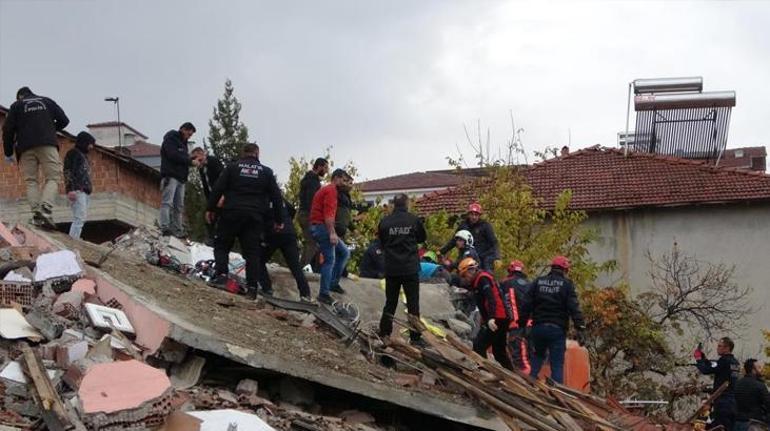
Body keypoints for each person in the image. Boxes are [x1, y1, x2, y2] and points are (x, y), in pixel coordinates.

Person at [206, 143, 284, 299]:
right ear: (257, 153)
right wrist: (279, 219)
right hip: (254, 217)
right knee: (252, 253)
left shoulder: (232, 167)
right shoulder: (266, 172)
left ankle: (221, 276)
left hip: (231, 212)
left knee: (222, 245)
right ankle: (252, 288)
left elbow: (218, 188)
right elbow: (276, 197)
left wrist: (210, 209)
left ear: (244, 153)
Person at [2, 87, 69, 227]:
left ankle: (36, 213)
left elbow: (7, 130)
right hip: (47, 144)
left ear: (20, 96)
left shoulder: (17, 106)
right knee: (53, 177)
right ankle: (46, 208)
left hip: (25, 147)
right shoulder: (47, 101)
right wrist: (49, 129)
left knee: (31, 180)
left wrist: (8, 153)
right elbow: (64, 120)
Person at [519, 256, 586, 384]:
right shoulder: (566, 285)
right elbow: (574, 308)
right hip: (557, 330)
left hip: (538, 328)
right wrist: (580, 328)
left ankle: (530, 382)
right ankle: (557, 392)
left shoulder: (538, 282)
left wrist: (522, 325)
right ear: (565, 270)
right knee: (557, 363)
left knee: (538, 355)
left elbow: (526, 304)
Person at [377, 194, 427, 345]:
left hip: (392, 268)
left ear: (393, 205)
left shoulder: (385, 222)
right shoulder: (413, 220)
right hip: (410, 268)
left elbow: (382, 241)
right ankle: (415, 338)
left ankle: (384, 333)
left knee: (390, 302)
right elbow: (421, 238)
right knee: (413, 303)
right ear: (407, 204)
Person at [457, 257, 514, 370]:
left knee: (479, 346)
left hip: (498, 317)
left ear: (470, 270)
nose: (465, 278)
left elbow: (491, 298)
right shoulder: (478, 280)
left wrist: (491, 318)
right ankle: (511, 375)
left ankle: (483, 372)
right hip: (501, 317)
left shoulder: (483, 279)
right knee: (499, 352)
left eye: (465, 275)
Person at [257, 198, 313, 302]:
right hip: (289, 233)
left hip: (272, 233)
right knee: (295, 265)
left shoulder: (261, 199)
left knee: (258, 260)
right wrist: (286, 221)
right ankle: (305, 294)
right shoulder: (279, 198)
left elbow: (258, 218)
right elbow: (292, 210)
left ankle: (266, 288)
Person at [309, 168, 351, 304]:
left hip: (319, 226)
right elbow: (329, 215)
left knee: (344, 252)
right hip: (322, 227)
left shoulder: (327, 189)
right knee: (329, 260)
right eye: (344, 180)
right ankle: (324, 293)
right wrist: (332, 233)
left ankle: (333, 283)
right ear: (337, 178)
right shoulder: (331, 191)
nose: (345, 183)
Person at [159, 122, 197, 237]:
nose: (189, 136)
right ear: (183, 129)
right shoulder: (171, 139)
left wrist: (191, 159)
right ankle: (165, 227)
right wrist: (189, 161)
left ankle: (177, 229)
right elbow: (173, 155)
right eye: (189, 134)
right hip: (171, 176)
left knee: (179, 206)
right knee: (167, 203)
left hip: (181, 178)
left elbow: (182, 158)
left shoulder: (183, 144)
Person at [695, 337, 741, 431]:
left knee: (718, 428)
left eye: (720, 346)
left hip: (722, 402)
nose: (717, 348)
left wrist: (699, 359)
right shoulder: (735, 363)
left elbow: (706, 370)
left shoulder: (724, 361)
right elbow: (714, 366)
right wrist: (704, 359)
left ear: (727, 348)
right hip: (732, 403)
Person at [441, 203, 500, 271]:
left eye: (476, 215)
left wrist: (497, 257)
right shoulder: (463, 225)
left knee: (487, 272)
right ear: (468, 214)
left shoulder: (485, 226)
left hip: (484, 256)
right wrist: (441, 251)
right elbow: (454, 240)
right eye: (472, 214)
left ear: (479, 215)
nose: (474, 217)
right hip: (466, 255)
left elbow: (494, 242)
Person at [500, 260, 531, 374]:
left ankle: (526, 385)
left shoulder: (505, 283)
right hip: (531, 325)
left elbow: (499, 303)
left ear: (510, 270)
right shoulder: (530, 284)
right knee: (529, 357)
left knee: (520, 361)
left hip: (516, 326)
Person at [63, 132, 95, 239]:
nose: (91, 147)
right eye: (90, 144)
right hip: (77, 191)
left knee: (82, 217)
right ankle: (73, 241)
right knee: (79, 218)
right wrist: (70, 189)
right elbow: (68, 172)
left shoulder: (83, 155)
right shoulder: (73, 153)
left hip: (84, 191)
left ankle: (75, 239)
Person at [298, 158, 329, 267]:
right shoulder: (313, 182)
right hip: (307, 215)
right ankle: (300, 268)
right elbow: (311, 201)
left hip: (304, 214)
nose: (326, 171)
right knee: (312, 243)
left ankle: (300, 267)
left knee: (310, 243)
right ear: (319, 167)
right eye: (325, 168)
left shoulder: (309, 179)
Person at [191, 147, 224, 246]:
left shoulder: (213, 161)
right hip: (212, 196)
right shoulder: (202, 169)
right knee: (209, 216)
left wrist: (223, 196)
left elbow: (222, 179)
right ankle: (211, 238)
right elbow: (205, 186)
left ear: (203, 154)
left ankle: (220, 240)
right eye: (195, 160)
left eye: (199, 159)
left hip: (221, 194)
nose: (197, 162)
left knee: (222, 217)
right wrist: (209, 204)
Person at [734, 358, 770, 431]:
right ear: (753, 370)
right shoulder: (760, 385)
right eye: (759, 367)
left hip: (737, 422)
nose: (762, 369)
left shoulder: (737, 384)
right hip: (753, 424)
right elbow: (768, 404)